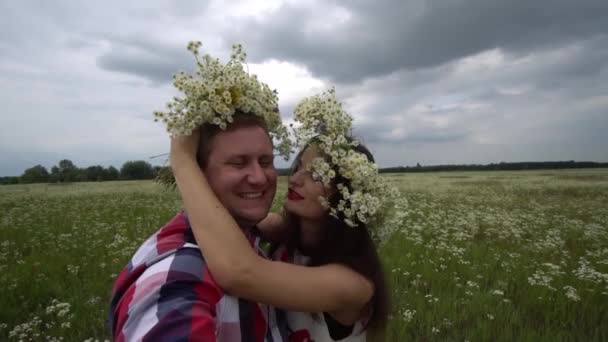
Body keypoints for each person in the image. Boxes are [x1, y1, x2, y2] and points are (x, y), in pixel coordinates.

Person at [170, 89, 396, 341]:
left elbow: (239, 273)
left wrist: (182, 159)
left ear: (346, 197)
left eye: (317, 176)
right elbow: (220, 220)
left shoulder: (353, 285)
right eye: (298, 167)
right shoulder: (286, 232)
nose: (296, 179)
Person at [109, 41, 293, 341]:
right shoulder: (175, 277)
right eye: (238, 163)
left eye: (266, 161)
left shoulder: (249, 239)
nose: (259, 178)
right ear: (198, 173)